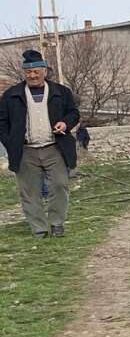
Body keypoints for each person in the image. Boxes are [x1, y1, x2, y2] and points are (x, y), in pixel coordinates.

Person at [0, 49, 80, 238]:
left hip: (54, 147)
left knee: (59, 185)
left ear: (44, 70)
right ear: (24, 73)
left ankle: (57, 222)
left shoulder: (61, 92)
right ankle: (40, 229)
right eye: (28, 72)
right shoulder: (12, 95)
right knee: (29, 191)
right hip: (25, 150)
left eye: (36, 71)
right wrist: (10, 142)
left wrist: (66, 123)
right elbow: (2, 123)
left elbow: (73, 113)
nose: (32, 75)